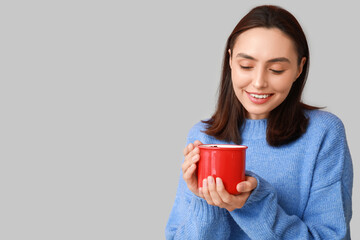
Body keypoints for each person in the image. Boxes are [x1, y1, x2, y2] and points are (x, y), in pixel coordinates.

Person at [165, 5, 353, 240]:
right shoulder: (203, 137)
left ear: (299, 69)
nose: (259, 83)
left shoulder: (323, 134)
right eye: (246, 66)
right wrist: (205, 201)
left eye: (276, 69)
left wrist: (254, 203)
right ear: (231, 60)